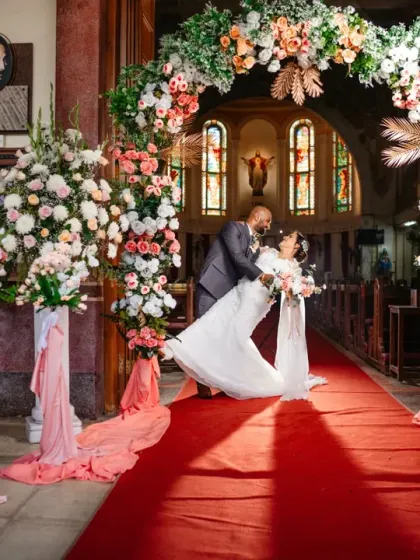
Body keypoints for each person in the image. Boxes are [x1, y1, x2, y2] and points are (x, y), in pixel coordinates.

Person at [164, 230, 327, 401]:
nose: (285, 237)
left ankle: (246, 381)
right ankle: (174, 347)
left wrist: (292, 288)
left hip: (255, 305)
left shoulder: (292, 268)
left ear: (296, 246)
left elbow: (293, 291)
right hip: (236, 295)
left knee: (236, 338)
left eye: (290, 237)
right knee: (211, 320)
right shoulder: (268, 252)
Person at [193, 205, 274, 398]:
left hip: (227, 291)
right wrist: (262, 275)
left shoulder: (252, 241)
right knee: (204, 334)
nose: (269, 226)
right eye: (267, 221)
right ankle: (201, 383)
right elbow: (237, 258)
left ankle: (219, 379)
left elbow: (246, 264)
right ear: (256, 216)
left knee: (222, 336)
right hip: (212, 285)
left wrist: (260, 255)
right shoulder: (232, 228)